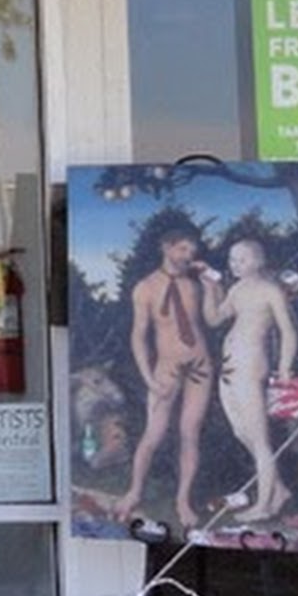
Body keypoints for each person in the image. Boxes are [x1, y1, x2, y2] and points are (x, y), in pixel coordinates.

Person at [111, 213, 215, 534]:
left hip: (200, 365)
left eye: (192, 250)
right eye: (183, 249)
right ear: (166, 248)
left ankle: (183, 500)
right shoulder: (145, 288)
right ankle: (134, 491)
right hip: (166, 368)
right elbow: (138, 337)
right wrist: (149, 379)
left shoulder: (195, 285)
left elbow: (213, 320)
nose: (188, 256)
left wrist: (213, 285)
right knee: (153, 433)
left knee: (189, 431)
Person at [203, 237, 298, 525]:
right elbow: (214, 319)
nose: (235, 265)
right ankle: (279, 490)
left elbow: (289, 331)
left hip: (250, 365)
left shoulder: (270, 290)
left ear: (258, 261)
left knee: (259, 439)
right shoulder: (237, 289)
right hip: (230, 367)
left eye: (242, 259)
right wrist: (210, 290)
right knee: (240, 432)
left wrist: (285, 367)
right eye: (232, 260)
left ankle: (264, 506)